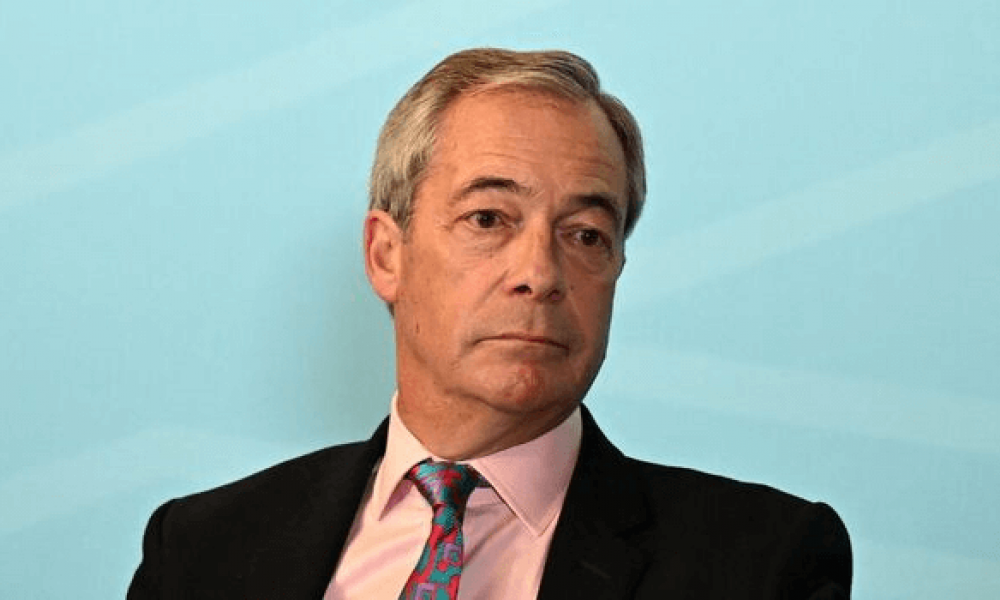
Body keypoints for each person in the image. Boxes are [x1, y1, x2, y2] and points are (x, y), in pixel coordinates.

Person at [127, 48, 852, 599]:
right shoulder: (202, 551)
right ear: (386, 255)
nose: (540, 272)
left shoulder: (762, 565)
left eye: (586, 234)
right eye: (488, 219)